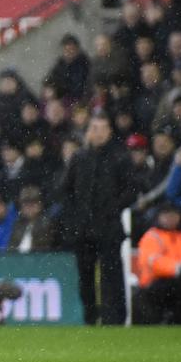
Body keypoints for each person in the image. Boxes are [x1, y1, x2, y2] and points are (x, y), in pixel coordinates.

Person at [57, 112, 136, 326]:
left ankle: (114, 319)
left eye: (101, 128)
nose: (97, 133)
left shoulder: (120, 157)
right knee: (86, 277)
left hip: (109, 227)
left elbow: (131, 190)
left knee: (112, 277)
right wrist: (75, 216)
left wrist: (112, 208)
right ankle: (90, 317)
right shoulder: (79, 158)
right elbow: (66, 190)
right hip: (83, 229)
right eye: (93, 128)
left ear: (109, 132)